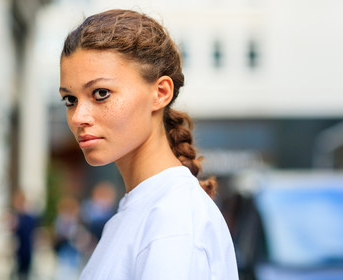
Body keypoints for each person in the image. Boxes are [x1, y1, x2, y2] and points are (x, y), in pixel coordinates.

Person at [59, 9, 239, 280]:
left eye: (101, 94)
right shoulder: (142, 210)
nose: (78, 117)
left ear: (160, 93)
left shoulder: (173, 222)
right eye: (70, 100)